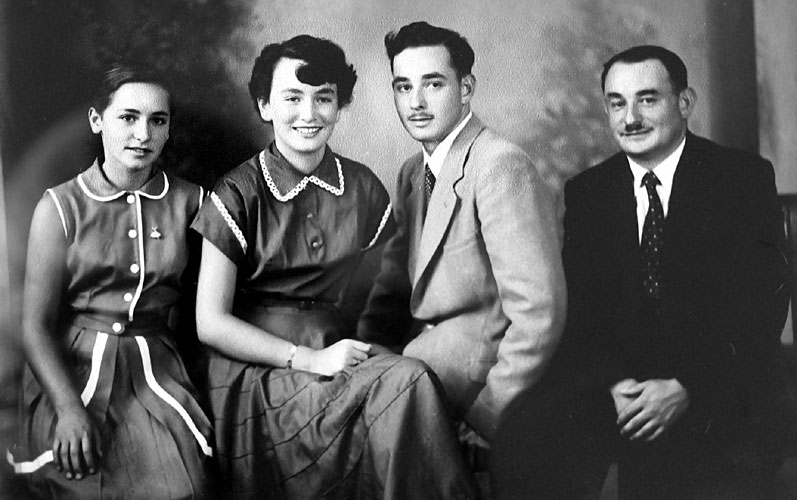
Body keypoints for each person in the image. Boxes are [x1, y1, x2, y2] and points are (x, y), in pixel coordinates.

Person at [491, 45, 790, 499]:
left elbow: (761, 308)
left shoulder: (740, 179)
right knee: (523, 437)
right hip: (621, 386)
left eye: (647, 100)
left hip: (717, 383)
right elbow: (584, 312)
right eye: (617, 103)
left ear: (684, 103)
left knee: (704, 472)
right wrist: (614, 385)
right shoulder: (590, 191)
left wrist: (687, 387)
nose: (630, 119)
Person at [191, 35, 478, 500]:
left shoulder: (363, 187)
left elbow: (387, 299)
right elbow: (210, 322)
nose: (309, 113)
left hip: (341, 352)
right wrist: (307, 359)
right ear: (264, 106)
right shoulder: (238, 192)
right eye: (292, 98)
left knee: (411, 381)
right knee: (406, 384)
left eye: (323, 98)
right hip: (259, 370)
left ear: (340, 106)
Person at [8, 64, 213, 499]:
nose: (143, 134)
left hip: (155, 369)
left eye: (157, 120)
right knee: (79, 478)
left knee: (182, 484)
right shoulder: (60, 207)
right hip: (71, 369)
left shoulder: (191, 201)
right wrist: (68, 409)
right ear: (97, 120)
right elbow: (34, 326)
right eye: (128, 117)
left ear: (168, 129)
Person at [356, 21, 566, 444]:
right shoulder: (413, 173)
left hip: (473, 391)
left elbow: (540, 312)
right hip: (418, 373)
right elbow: (395, 284)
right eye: (403, 87)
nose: (415, 102)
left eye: (433, 84)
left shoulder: (499, 166)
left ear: (466, 88)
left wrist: (488, 413)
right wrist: (365, 352)